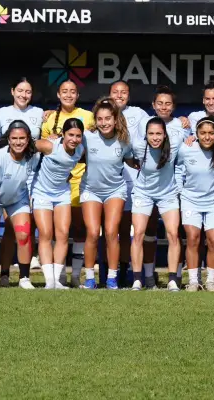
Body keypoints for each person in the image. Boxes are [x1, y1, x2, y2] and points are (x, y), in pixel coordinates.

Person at [41, 80, 94, 287]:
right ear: (58, 94)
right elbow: (44, 149)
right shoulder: (50, 118)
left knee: (79, 228)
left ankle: (75, 275)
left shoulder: (88, 116)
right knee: (55, 231)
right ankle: (58, 276)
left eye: (73, 91)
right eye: (65, 91)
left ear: (78, 95)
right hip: (56, 182)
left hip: (81, 179)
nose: (69, 95)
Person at [0, 78, 43, 286]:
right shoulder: (1, 113)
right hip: (5, 176)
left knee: (23, 230)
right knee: (9, 230)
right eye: (20, 90)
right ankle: (3, 273)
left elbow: (44, 143)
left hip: (30, 176)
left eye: (28, 91)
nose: (23, 94)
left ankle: (23, 276)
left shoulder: (39, 113)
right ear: (12, 91)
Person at [79, 98, 133, 290]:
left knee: (111, 232)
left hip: (115, 190)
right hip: (90, 190)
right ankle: (90, 279)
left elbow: (135, 160)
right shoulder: (87, 136)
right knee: (93, 233)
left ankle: (112, 278)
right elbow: (68, 146)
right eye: (100, 119)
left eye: (108, 118)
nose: (104, 123)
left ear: (115, 118)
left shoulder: (125, 139)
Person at [0, 120, 41, 289]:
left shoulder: (33, 155)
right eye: (14, 138)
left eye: (22, 138)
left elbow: (50, 147)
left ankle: (24, 278)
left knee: (23, 234)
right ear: (8, 139)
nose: (18, 142)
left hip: (17, 199)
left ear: (28, 139)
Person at [139, 85, 190, 286]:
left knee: (174, 233)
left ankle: (175, 277)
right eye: (159, 103)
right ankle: (149, 277)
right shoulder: (144, 123)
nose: (163, 107)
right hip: (147, 186)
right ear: (153, 105)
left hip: (173, 187)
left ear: (174, 106)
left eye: (168, 103)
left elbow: (188, 151)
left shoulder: (181, 125)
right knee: (148, 232)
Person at [32, 117, 86, 290]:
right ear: (63, 134)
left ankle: (56, 280)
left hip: (62, 193)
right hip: (41, 192)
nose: (74, 139)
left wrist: (66, 178)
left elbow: (69, 169)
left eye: (78, 136)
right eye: (70, 135)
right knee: (46, 234)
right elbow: (26, 145)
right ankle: (49, 281)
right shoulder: (49, 146)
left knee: (63, 234)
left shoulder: (80, 151)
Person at [129, 117, 182, 291]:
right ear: (145, 135)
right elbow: (127, 157)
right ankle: (137, 279)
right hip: (143, 194)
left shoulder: (175, 145)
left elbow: (192, 140)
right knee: (138, 234)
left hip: (168, 194)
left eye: (159, 133)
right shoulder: (138, 146)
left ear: (165, 135)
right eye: (151, 134)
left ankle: (173, 279)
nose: (155, 137)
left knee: (173, 234)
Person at [176, 117, 214, 292]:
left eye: (211, 133)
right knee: (193, 238)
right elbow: (177, 169)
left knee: (213, 240)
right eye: (203, 133)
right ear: (196, 134)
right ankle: (192, 281)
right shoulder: (186, 148)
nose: (207, 137)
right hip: (190, 200)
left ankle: (211, 281)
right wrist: (181, 190)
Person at [109, 80, 149, 287]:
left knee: (131, 231)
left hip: (135, 179)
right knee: (112, 230)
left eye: (123, 92)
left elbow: (155, 130)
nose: (119, 95)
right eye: (115, 92)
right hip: (110, 180)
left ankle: (130, 273)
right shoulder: (103, 113)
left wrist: (182, 121)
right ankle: (110, 273)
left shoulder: (139, 114)